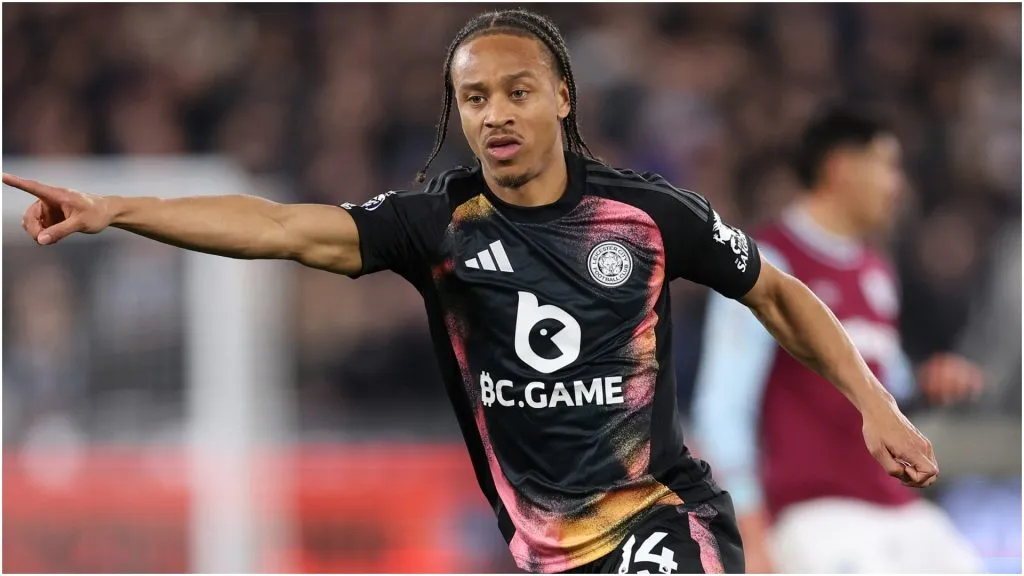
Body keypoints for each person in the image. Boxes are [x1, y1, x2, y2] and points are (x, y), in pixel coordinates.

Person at [5, 10, 941, 575]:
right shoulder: (435, 228)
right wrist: (117, 208)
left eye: (517, 90)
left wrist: (875, 404)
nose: (495, 113)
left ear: (562, 98)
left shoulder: (648, 216)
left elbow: (776, 294)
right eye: (475, 97)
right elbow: (280, 227)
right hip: (543, 548)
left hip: (663, 519)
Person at [691, 106, 984, 573]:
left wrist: (925, 385)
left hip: (896, 506)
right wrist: (746, 523)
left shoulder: (877, 272)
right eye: (887, 165)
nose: (898, 185)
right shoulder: (764, 263)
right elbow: (723, 410)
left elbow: (884, 392)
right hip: (815, 512)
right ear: (841, 169)